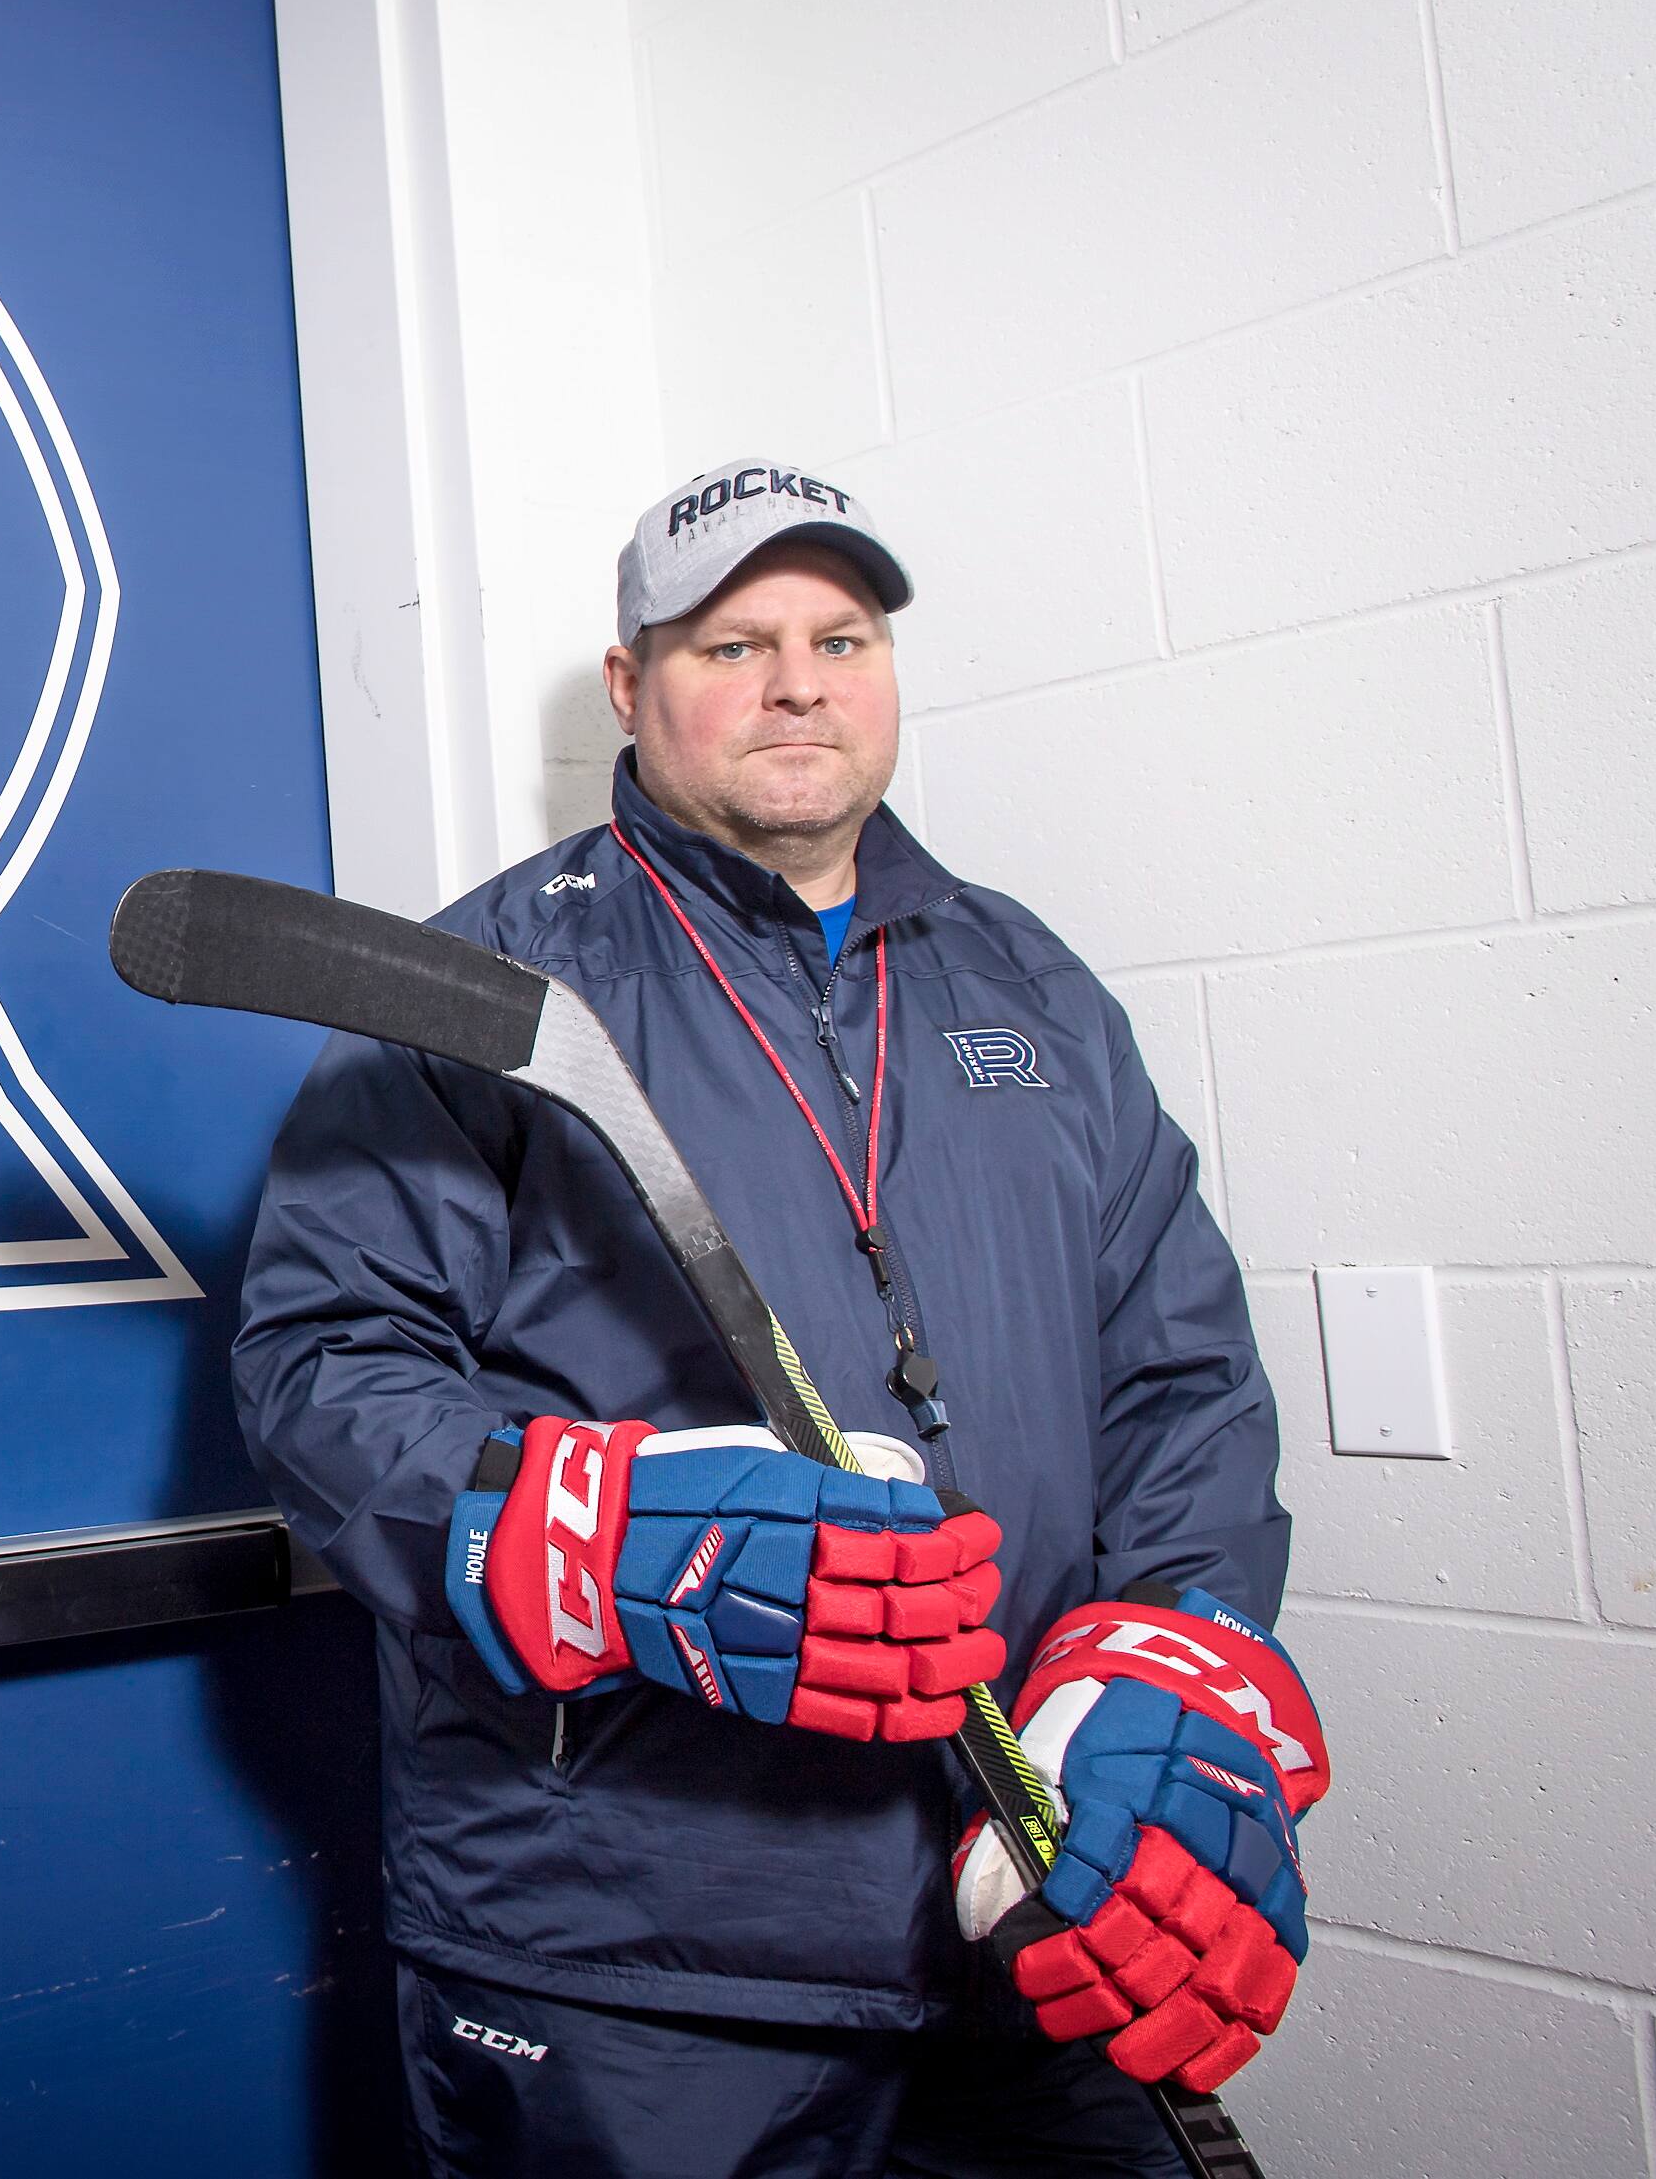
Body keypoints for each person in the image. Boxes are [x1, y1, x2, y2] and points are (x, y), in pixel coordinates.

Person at [231, 461, 1327, 2177]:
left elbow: (1180, 1384)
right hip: (635, 1960)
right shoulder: (476, 985)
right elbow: (321, 1371)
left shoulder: (1031, 986)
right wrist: (593, 1536)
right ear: (630, 684)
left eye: (841, 637)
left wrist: (1170, 1665)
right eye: (734, 644)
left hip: (1017, 1912)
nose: (798, 682)